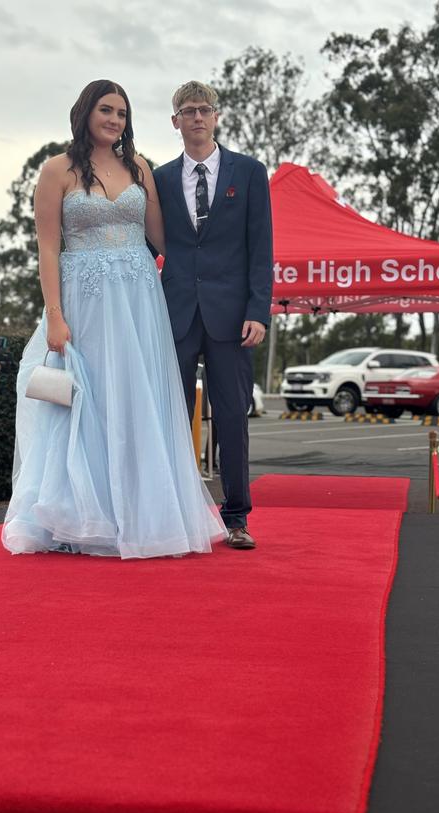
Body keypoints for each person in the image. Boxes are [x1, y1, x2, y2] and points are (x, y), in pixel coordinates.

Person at [1, 80, 226, 558]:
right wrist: (54, 317)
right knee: (87, 404)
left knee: (135, 399)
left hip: (140, 299)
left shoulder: (137, 167)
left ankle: (145, 514)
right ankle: (83, 516)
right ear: (85, 112)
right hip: (83, 302)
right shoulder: (56, 171)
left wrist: (222, 273)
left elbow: (166, 241)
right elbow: (46, 248)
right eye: (106, 110)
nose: (115, 120)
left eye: (122, 113)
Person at [153, 81, 274, 550]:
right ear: (175, 121)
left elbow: (261, 247)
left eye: (205, 110)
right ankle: (172, 513)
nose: (197, 117)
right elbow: (148, 244)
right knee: (171, 416)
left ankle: (237, 517)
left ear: (216, 116)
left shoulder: (248, 172)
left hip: (232, 317)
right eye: (188, 111)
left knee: (231, 417)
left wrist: (258, 310)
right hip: (176, 313)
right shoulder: (160, 179)